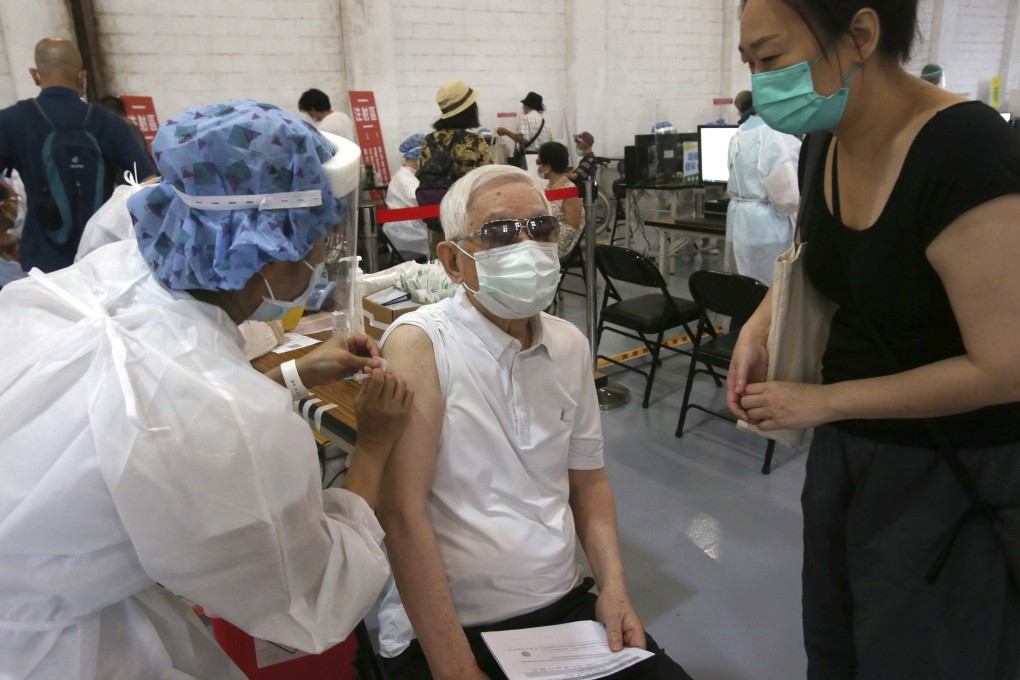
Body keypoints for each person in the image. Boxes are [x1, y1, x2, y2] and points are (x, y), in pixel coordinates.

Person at [0, 100, 414, 680]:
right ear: (266, 249)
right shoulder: (226, 417)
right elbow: (315, 593)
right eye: (316, 236)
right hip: (60, 654)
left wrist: (291, 374)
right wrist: (371, 445)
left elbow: (149, 423)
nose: (323, 255)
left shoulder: (115, 274)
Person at [732, 1, 1020, 678]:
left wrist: (825, 403)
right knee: (837, 648)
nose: (764, 82)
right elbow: (813, 261)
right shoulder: (824, 143)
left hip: (950, 469)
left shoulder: (964, 150)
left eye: (771, 58)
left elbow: (1005, 367)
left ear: (861, 35)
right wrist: (759, 323)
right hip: (850, 457)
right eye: (751, 64)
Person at [375, 164, 692, 680]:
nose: (526, 246)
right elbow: (401, 516)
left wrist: (614, 590)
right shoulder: (421, 346)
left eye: (541, 229)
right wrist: (455, 667)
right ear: (454, 262)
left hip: (561, 605)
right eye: (499, 232)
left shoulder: (568, 344)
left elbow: (587, 481)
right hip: (451, 623)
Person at [0, 38, 156, 273]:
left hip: (41, 263)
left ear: (34, 74)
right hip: (104, 256)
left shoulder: (12, 121)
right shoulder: (110, 124)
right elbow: (149, 183)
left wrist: (2, 235)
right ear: (83, 76)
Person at [725, 97, 801, 283]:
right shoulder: (773, 135)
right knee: (769, 288)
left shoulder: (740, 132)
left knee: (742, 286)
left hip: (738, 221)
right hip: (766, 227)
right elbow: (786, 198)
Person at [417, 79, 492, 258]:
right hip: (468, 220)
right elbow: (488, 178)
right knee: (469, 268)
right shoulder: (474, 141)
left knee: (442, 268)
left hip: (438, 217)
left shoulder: (429, 140)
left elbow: (421, 174)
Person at [537, 141, 585, 261]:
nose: (538, 167)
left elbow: (572, 227)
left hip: (559, 243)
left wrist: (544, 238)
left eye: (540, 163)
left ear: (547, 167)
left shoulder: (569, 190)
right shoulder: (549, 187)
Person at [384, 133, 429, 258]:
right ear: (418, 156)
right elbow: (420, 201)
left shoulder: (407, 175)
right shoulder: (406, 179)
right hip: (405, 231)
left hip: (404, 227)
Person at [496, 91, 553, 168]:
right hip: (543, 159)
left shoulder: (525, 118)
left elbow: (523, 139)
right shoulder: (544, 122)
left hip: (528, 158)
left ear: (526, 106)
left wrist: (506, 132)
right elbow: (550, 141)